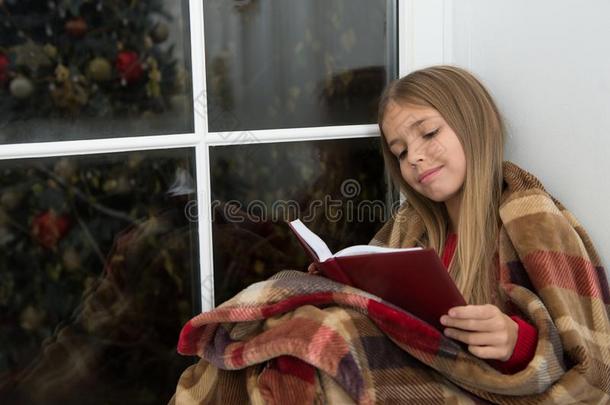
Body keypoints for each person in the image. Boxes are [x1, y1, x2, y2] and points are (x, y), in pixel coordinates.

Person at [173, 66, 609, 403]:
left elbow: (593, 369)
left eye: (429, 133)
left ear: (476, 122)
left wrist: (519, 342)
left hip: (483, 389)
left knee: (328, 332)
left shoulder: (529, 219)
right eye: (400, 152)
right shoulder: (410, 228)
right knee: (295, 337)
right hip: (416, 373)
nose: (415, 157)